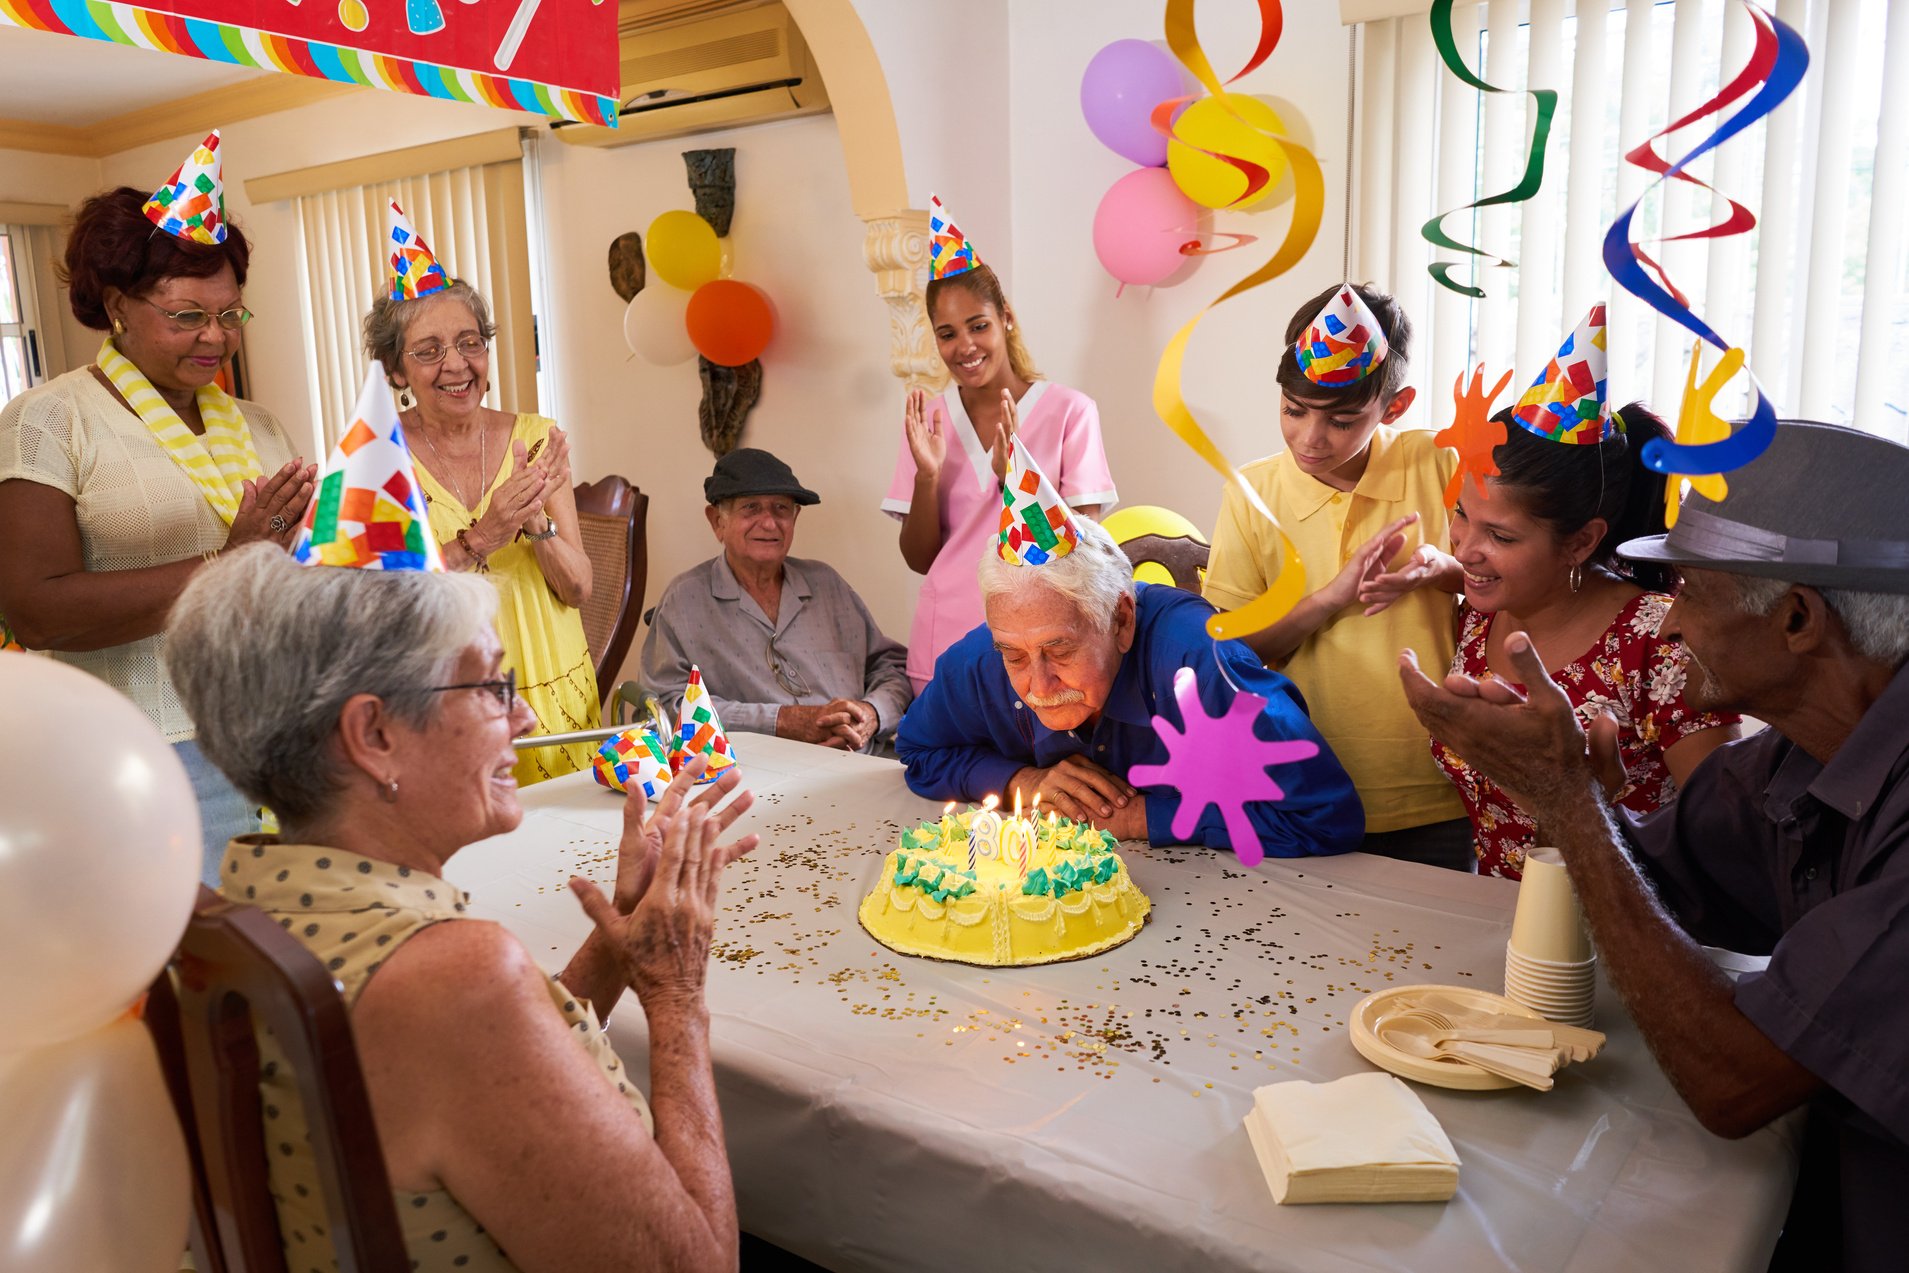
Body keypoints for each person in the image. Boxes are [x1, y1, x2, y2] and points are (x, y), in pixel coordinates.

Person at [1398, 420, 1909, 1271]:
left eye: (1689, 591)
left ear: (1795, 619)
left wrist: (1568, 803)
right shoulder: (1789, 756)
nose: (1667, 622)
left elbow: (1732, 1080)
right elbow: (1659, 879)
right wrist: (1583, 802)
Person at [167, 543, 757, 1272]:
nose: (528, 717)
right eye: (493, 687)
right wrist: (675, 993)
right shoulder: (457, 980)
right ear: (375, 734)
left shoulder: (248, 896)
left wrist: (617, 942)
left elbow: (483, 1079)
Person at [0, 148, 315, 881]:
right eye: (187, 316)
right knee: (182, 981)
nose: (217, 336)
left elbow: (287, 578)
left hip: (271, 738)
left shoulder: (260, 426)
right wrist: (226, 564)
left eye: (230, 313)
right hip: (135, 756)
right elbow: (35, 612)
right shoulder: (49, 421)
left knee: (282, 970)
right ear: (116, 307)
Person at [1431, 320, 1738, 877]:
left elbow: (1732, 848)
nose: (1466, 550)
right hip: (1496, 923)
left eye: (1499, 536)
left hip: (1623, 940)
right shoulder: (1480, 617)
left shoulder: (1659, 644)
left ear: (1581, 541)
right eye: (1460, 516)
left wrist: (1588, 799)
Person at [897, 508, 1360, 857]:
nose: (1037, 684)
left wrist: (1146, 816)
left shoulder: (1199, 664)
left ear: (1121, 620)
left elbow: (1325, 815)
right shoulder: (978, 660)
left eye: (1059, 650)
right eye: (1013, 655)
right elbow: (918, 752)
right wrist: (1023, 781)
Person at [1204, 282, 1471, 870]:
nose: (1310, 438)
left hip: (1433, 787)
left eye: (1343, 421)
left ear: (1394, 408)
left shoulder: (1440, 462)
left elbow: (1505, 592)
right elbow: (1230, 652)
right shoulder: (1253, 494)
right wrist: (1329, 598)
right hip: (1301, 786)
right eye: (1293, 411)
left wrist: (1441, 569)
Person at [363, 203, 596, 783]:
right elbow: (389, 611)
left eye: (470, 342)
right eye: (428, 351)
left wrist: (537, 522)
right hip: (446, 699)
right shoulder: (377, 462)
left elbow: (579, 587)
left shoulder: (536, 438)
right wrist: (485, 535)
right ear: (395, 372)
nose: (456, 365)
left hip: (556, 686)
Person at [884, 195, 1116, 692]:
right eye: (947, 334)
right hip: (943, 642)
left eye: (978, 325)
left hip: (1038, 645)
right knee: (947, 767)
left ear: (1005, 317)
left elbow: (1085, 550)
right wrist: (927, 477)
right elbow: (921, 559)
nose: (964, 346)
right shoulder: (930, 421)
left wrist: (1017, 481)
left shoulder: (1071, 412)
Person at [642, 448, 912, 752]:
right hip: (759, 775)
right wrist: (783, 721)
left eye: (781, 509)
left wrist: (872, 713)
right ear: (717, 521)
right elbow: (667, 706)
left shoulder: (827, 584)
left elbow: (892, 666)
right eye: (751, 508)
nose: (769, 523)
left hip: (861, 762)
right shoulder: (684, 601)